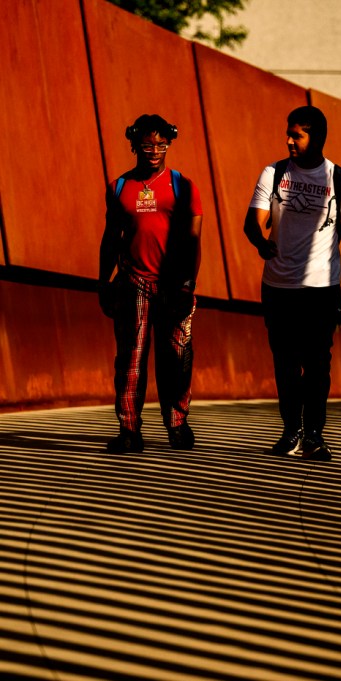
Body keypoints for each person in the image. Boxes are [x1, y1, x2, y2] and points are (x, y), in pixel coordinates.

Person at [244, 105, 341, 461]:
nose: (289, 140)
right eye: (288, 133)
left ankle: (314, 435)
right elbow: (252, 222)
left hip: (321, 289)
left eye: (297, 135)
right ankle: (291, 430)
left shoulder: (340, 180)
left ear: (316, 138)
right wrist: (261, 243)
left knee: (318, 363)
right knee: (286, 363)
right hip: (278, 286)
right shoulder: (274, 173)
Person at [98, 114, 203, 453]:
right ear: (134, 146)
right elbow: (111, 237)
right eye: (147, 144)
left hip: (174, 284)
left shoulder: (183, 186)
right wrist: (103, 282)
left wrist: (187, 284)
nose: (155, 150)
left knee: (176, 355)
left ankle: (177, 424)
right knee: (131, 357)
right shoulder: (119, 187)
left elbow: (192, 239)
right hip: (134, 282)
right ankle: (129, 429)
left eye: (162, 144)